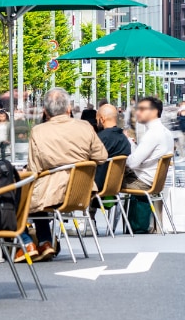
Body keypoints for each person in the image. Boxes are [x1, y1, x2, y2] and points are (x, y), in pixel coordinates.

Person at [26, 88, 107, 261]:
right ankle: (44, 242)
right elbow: (101, 156)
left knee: (25, 197)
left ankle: (39, 242)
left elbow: (34, 169)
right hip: (81, 191)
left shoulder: (38, 131)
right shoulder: (85, 127)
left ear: (45, 111)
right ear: (69, 108)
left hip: (51, 194)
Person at [124, 96, 175, 195]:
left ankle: (98, 203)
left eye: (142, 109)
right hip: (155, 181)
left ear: (154, 112)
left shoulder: (153, 134)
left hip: (142, 182)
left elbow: (132, 163)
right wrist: (131, 142)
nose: (137, 112)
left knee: (105, 180)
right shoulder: (166, 132)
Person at [94, 103, 132, 190]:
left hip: (97, 184)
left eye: (97, 119)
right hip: (115, 184)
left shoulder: (101, 138)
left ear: (102, 119)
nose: (96, 123)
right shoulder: (124, 139)